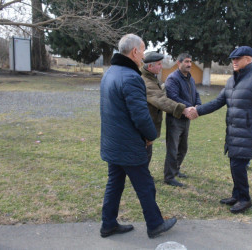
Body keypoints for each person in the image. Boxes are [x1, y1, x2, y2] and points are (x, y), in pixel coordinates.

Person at [100, 34, 176, 239]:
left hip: (113, 142)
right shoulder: (131, 77)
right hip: (129, 145)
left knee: (114, 184)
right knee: (145, 185)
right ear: (134, 52)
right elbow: (141, 115)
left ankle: (108, 225)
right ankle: (155, 225)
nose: (143, 55)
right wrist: (150, 136)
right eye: (142, 50)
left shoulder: (110, 73)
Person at [190, 46, 252, 213]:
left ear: (248, 59)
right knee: (235, 165)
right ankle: (236, 195)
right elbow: (218, 102)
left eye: (238, 58)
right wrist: (197, 111)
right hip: (234, 133)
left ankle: (245, 199)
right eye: (233, 59)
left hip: (248, 133)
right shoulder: (231, 81)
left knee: (238, 166)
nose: (234, 62)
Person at [140, 52, 192, 164]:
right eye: (159, 64)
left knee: (147, 152)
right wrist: (183, 109)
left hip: (148, 123)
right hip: (144, 125)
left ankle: (143, 176)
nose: (161, 66)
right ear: (150, 66)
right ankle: (141, 179)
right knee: (144, 154)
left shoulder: (152, 78)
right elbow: (161, 100)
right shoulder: (146, 82)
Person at [163, 53, 201, 187]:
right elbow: (173, 97)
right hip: (175, 118)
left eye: (190, 61)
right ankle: (168, 176)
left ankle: (176, 170)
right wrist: (190, 108)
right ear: (178, 63)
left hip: (186, 118)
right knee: (172, 148)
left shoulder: (190, 79)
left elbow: (196, 94)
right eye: (186, 61)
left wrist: (198, 105)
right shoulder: (172, 78)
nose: (189, 64)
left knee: (183, 148)